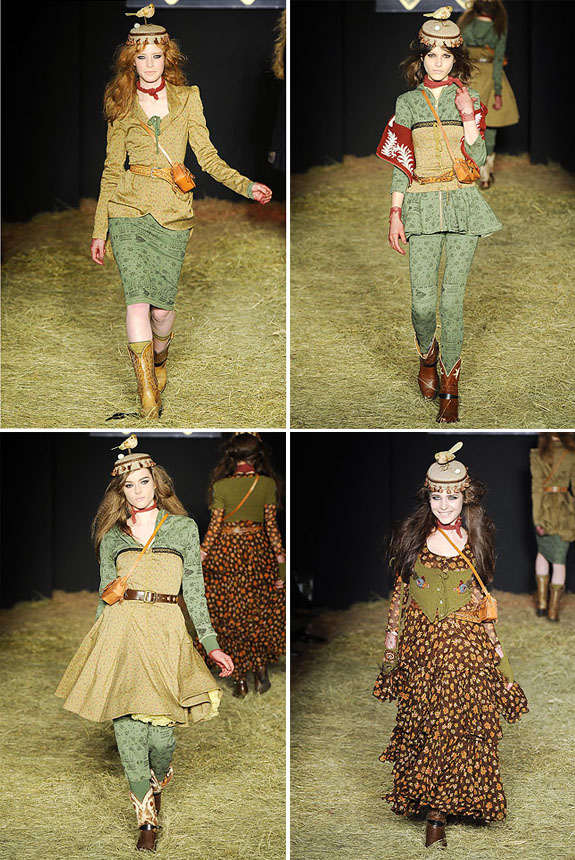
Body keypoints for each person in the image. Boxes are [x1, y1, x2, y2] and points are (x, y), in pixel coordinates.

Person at [90, 6, 273, 420]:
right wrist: (100, 229)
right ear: (130, 60)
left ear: (167, 57)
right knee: (137, 301)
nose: (150, 64)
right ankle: (147, 396)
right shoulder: (119, 101)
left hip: (173, 213)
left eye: (157, 56)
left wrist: (246, 185)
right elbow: (111, 169)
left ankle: (160, 359)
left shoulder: (188, 98)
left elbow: (207, 157)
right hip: (127, 207)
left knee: (161, 311)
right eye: (142, 57)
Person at [55, 436, 233, 852]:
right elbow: (105, 593)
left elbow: (195, 590)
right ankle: (146, 819)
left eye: (144, 481)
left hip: (167, 632)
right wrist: (97, 646)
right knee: (128, 730)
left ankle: (159, 777)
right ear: (120, 491)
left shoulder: (183, 528)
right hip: (122, 632)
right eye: (129, 485)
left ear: (158, 482)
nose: (137, 491)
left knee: (161, 738)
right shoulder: (113, 536)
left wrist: (210, 643)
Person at [373, 441, 528, 849]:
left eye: (452, 497)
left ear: (465, 497)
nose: (444, 505)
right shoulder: (411, 537)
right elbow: (399, 601)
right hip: (423, 649)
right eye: (437, 496)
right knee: (426, 722)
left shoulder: (477, 539)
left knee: (457, 724)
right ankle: (434, 802)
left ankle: (439, 814)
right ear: (428, 497)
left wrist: (504, 672)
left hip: (465, 649)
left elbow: (482, 605)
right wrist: (390, 656)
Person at [378, 7, 502, 423]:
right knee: (422, 304)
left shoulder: (471, 98)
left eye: (445, 55)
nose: (437, 62)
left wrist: (468, 116)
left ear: (455, 59)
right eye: (431, 54)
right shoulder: (407, 103)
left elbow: (479, 157)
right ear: (421, 58)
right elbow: (402, 163)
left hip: (463, 203)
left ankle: (450, 384)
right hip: (421, 205)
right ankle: (427, 355)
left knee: (452, 300)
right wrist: (395, 213)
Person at [197, 432, 286, 698]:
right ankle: (259, 670)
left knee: (228, 617)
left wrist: (200, 557)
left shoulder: (221, 486)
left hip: (225, 555)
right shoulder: (267, 483)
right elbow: (272, 529)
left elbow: (214, 528)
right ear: (258, 456)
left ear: (232, 456)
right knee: (255, 615)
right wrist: (281, 564)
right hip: (258, 554)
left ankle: (240, 680)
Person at [458, 0, 519, 189]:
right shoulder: (498, 27)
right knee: (490, 126)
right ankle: (484, 176)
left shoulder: (466, 24)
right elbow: (498, 59)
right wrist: (498, 93)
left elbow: (459, 55)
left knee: (465, 125)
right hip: (491, 76)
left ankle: (468, 172)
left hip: (470, 76)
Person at [531, 433, 575, 622]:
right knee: (559, 560)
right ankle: (553, 611)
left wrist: (537, 519)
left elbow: (536, 490)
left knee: (542, 553)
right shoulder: (571, 453)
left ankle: (542, 604)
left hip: (545, 510)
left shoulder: (538, 454)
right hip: (565, 511)